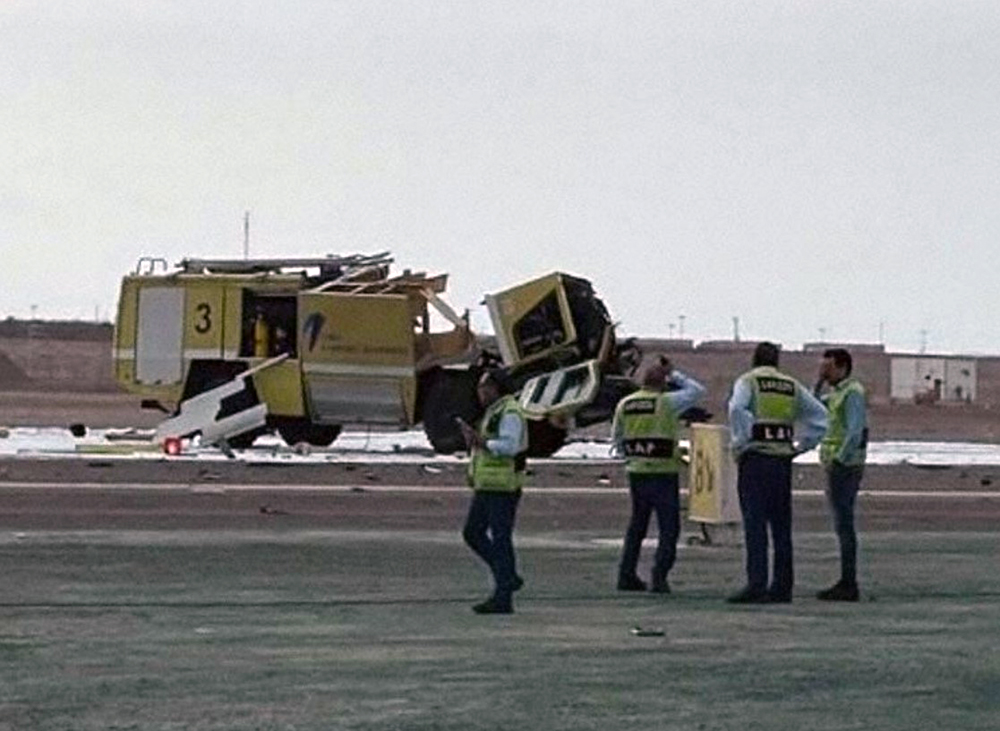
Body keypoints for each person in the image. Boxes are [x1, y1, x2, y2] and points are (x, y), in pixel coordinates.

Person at [727, 342, 827, 604]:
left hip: (755, 459)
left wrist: (741, 441)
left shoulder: (748, 381)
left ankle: (756, 584)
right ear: (777, 361)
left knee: (755, 524)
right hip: (781, 461)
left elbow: (737, 408)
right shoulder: (791, 385)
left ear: (755, 359)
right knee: (782, 527)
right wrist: (801, 446)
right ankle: (783, 586)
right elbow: (821, 418)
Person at [611, 360, 706, 593]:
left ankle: (626, 574)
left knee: (637, 527)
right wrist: (674, 373)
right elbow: (697, 391)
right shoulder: (667, 402)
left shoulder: (625, 404)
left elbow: (617, 438)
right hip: (663, 473)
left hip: (637, 473)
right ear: (663, 384)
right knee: (668, 528)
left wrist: (632, 457)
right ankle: (659, 576)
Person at [458, 370, 529, 615]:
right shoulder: (494, 412)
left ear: (496, 388)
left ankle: (503, 593)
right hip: (488, 484)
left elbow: (509, 446)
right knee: (474, 533)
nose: (480, 393)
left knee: (500, 539)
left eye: (484, 387)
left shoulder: (509, 413)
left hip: (503, 485)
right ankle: (506, 576)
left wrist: (483, 443)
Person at [815, 348, 868, 602]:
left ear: (842, 367)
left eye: (829, 367)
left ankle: (849, 582)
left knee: (844, 523)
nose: (825, 372)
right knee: (841, 523)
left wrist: (840, 459)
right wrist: (819, 381)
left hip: (845, 467)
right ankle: (846, 580)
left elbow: (855, 431)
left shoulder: (852, 393)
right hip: (836, 465)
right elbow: (813, 405)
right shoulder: (837, 393)